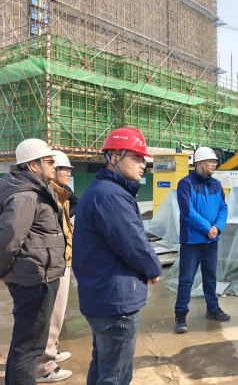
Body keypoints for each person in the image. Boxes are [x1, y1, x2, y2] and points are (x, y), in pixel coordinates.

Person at [72, 127, 162, 385]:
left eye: (143, 159)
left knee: (102, 367)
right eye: (136, 158)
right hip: (115, 300)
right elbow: (133, 244)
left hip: (103, 294)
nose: (143, 165)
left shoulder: (102, 190)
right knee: (116, 376)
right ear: (114, 157)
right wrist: (153, 269)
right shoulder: (111, 196)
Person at [0, 139, 66, 385]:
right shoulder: (26, 196)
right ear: (33, 165)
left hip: (40, 275)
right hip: (34, 280)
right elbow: (8, 239)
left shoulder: (37, 190)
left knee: (28, 344)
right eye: (48, 162)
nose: (54, 166)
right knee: (28, 347)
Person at [174, 146, 229, 334]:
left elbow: (223, 208)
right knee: (186, 280)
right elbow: (187, 212)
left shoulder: (216, 185)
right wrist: (208, 229)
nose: (214, 164)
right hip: (192, 242)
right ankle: (181, 315)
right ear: (200, 163)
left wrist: (217, 228)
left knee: (210, 277)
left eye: (215, 161)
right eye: (211, 161)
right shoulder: (185, 184)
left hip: (211, 241)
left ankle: (212, 309)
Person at [36, 150, 78, 383]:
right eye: (64, 169)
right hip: (51, 262)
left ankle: (51, 350)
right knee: (49, 315)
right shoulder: (44, 195)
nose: (68, 173)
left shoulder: (60, 194)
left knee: (57, 313)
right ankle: (44, 366)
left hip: (61, 258)